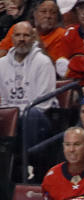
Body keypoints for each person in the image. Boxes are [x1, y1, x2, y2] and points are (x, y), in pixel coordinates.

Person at [0, 21, 55, 150]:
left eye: (26, 35)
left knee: (31, 114)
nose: (21, 39)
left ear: (33, 38)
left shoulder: (43, 63)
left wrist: (17, 117)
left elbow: (43, 104)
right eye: (18, 35)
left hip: (38, 119)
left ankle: (29, 164)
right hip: (9, 116)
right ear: (12, 38)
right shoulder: (1, 64)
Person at [0, 0, 67, 60]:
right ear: (34, 13)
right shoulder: (19, 28)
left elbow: (54, 68)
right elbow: (2, 52)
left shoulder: (62, 35)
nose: (48, 16)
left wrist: (39, 44)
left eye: (53, 12)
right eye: (43, 11)